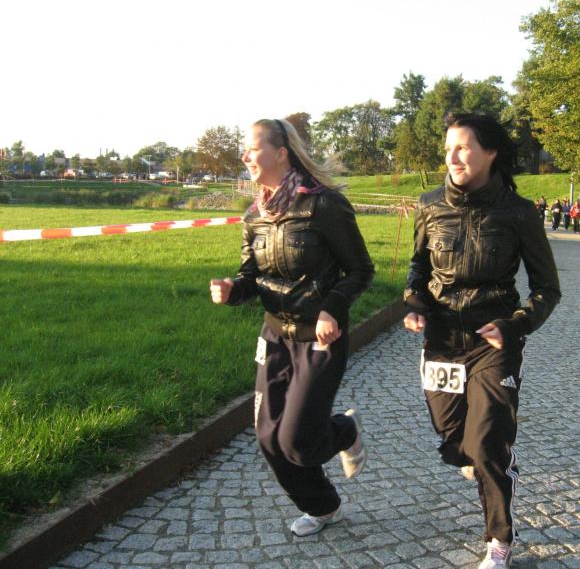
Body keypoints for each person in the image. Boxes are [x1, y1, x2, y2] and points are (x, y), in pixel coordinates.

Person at [403, 112, 561, 569]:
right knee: (456, 444)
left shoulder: (519, 212)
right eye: (447, 149)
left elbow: (547, 289)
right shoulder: (429, 206)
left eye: (463, 148)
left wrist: (514, 325)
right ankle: (473, 454)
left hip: (493, 344)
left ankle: (499, 539)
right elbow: (418, 271)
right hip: (441, 343)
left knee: (489, 443)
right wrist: (414, 304)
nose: (452, 158)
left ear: (490, 153)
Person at [209, 118, 375, 537]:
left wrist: (332, 309)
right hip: (274, 337)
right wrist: (232, 290)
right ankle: (323, 507)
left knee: (297, 440)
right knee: (269, 439)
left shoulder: (324, 205)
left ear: (280, 153)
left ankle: (344, 430)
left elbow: (360, 270)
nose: (244, 155)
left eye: (252, 148)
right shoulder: (255, 215)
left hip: (319, 338)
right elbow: (250, 276)